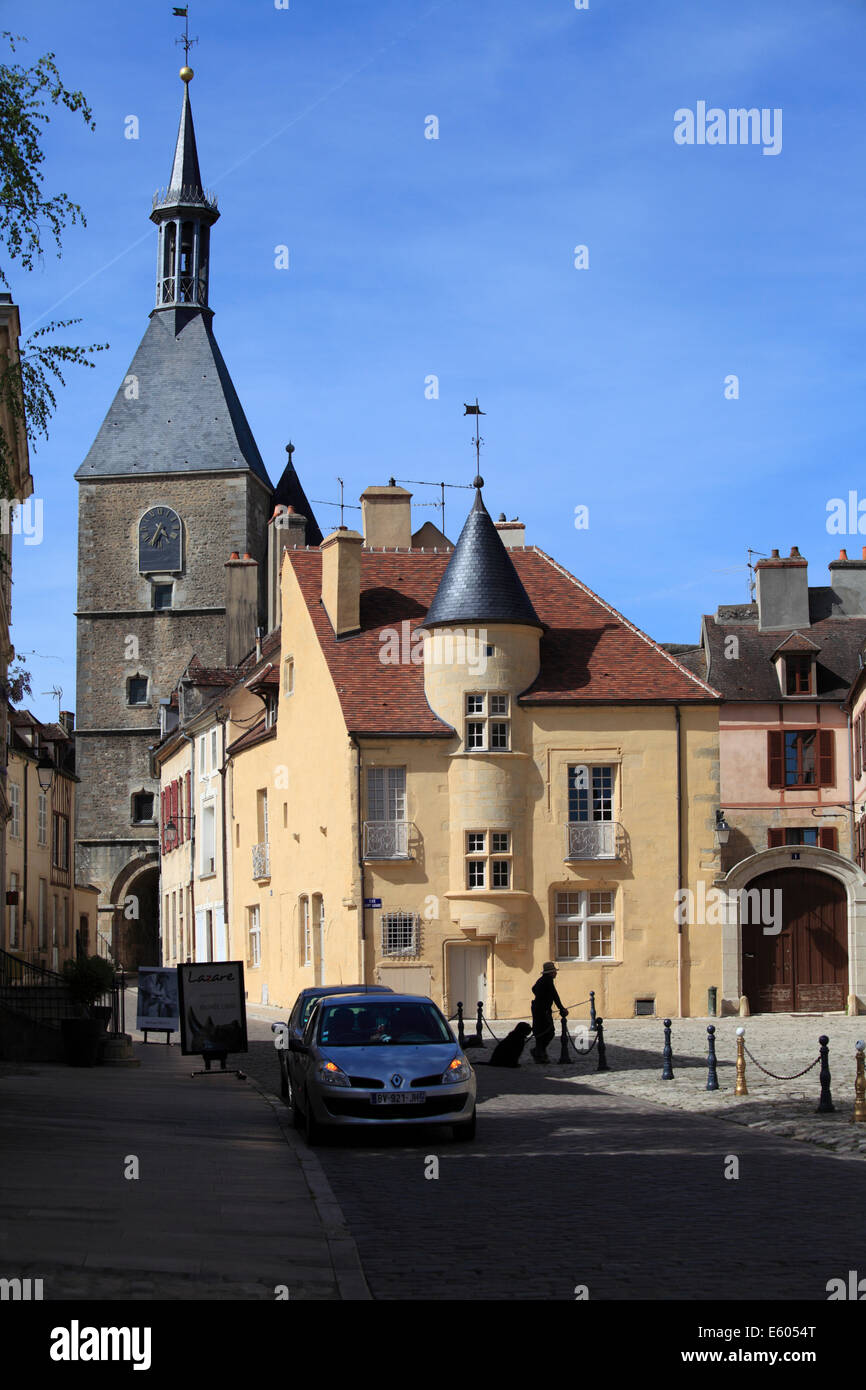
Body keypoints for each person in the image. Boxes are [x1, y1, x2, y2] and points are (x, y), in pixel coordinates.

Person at [530, 962, 567, 1062]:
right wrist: (561, 1008)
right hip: (543, 1010)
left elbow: (533, 989)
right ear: (550, 973)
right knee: (548, 1032)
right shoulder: (547, 981)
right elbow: (555, 996)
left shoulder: (542, 980)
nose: (556, 973)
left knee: (540, 1032)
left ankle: (539, 1053)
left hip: (538, 1009)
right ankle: (539, 1052)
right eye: (554, 971)